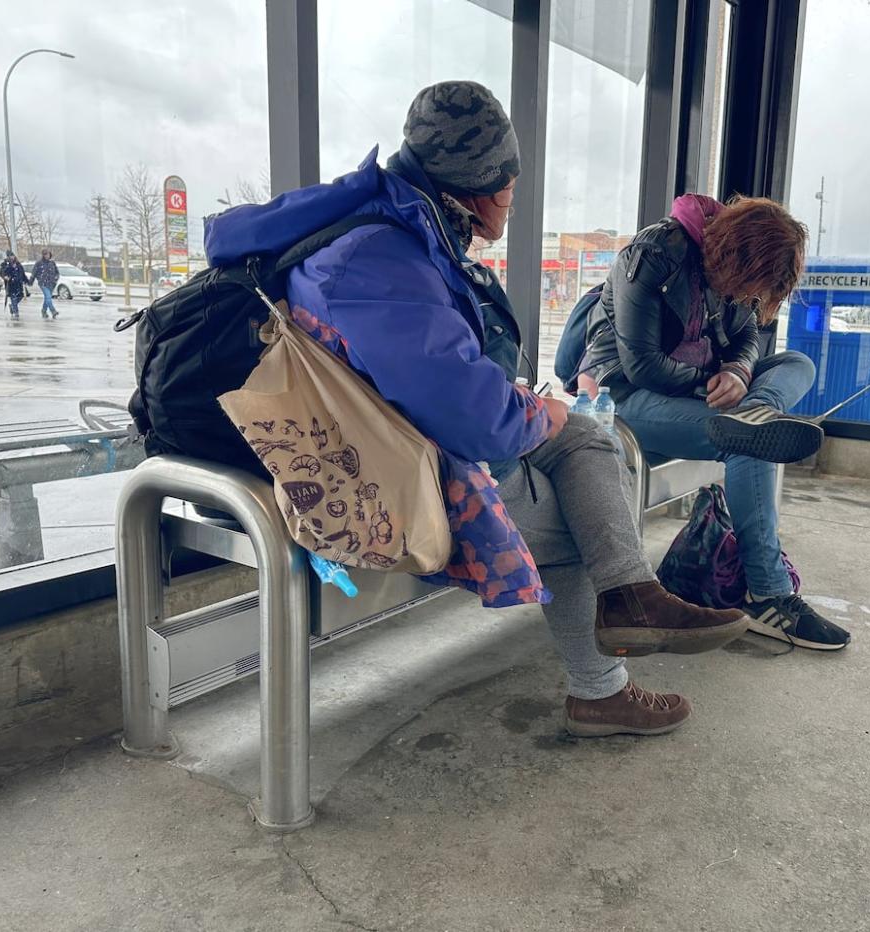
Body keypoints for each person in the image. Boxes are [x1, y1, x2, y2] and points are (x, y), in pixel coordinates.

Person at [203, 81, 751, 738]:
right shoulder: (378, 259)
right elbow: (465, 412)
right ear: (483, 187)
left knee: (584, 443)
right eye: (512, 187)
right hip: (358, 469)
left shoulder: (385, 223)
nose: (514, 204)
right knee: (584, 510)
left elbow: (435, 378)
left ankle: (629, 602)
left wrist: (532, 414)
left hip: (377, 430)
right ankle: (605, 672)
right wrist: (527, 416)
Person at [575, 194, 851, 651]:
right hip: (623, 398)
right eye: (747, 286)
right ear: (729, 253)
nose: (746, 297)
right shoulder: (651, 256)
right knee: (749, 442)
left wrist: (741, 373)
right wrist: (712, 383)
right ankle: (769, 594)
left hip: (703, 395)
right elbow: (642, 363)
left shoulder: (734, 277)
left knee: (798, 363)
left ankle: (754, 411)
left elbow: (746, 337)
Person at [30, 249, 60, 319]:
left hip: (52, 283)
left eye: (48, 254)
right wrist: (31, 281)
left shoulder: (52, 263)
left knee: (47, 298)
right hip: (43, 283)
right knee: (48, 297)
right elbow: (34, 273)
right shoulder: (39, 263)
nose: (47, 256)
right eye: (45, 254)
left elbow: (57, 272)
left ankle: (43, 311)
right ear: (43, 255)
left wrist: (56, 278)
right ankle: (53, 311)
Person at [0, 251, 27, 320]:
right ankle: (16, 312)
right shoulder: (5, 264)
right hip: (10, 284)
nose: (11, 257)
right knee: (13, 298)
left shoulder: (18, 264)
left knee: (20, 296)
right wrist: (5, 276)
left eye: (12, 256)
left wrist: (26, 280)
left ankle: (12, 306)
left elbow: (22, 273)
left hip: (18, 284)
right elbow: (2, 272)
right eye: (10, 256)